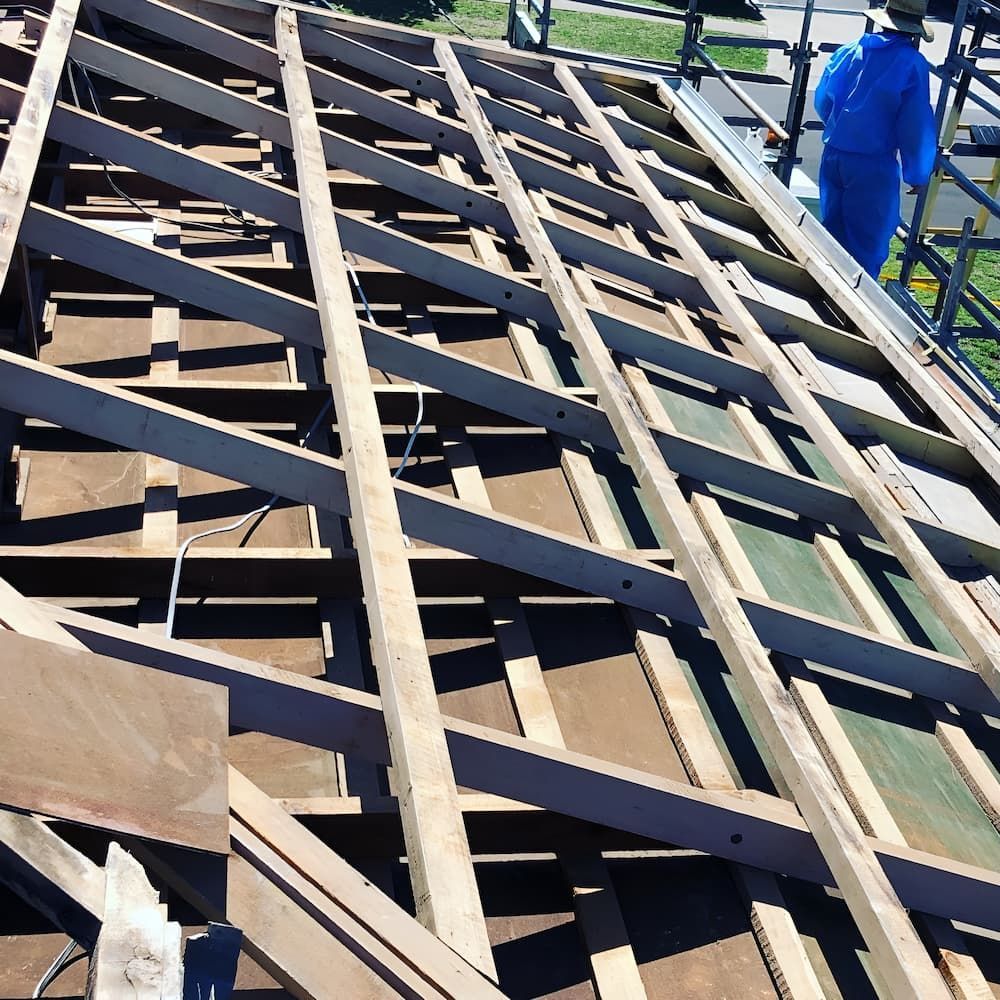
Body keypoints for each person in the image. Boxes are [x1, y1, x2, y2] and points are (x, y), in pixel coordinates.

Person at [813, 0, 937, 280]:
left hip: (834, 154)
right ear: (915, 31)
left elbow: (823, 101)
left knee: (832, 237)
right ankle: (853, 306)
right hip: (872, 164)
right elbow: (915, 123)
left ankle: (822, 290)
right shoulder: (911, 63)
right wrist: (917, 173)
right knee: (866, 250)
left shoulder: (850, 50)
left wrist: (843, 128)